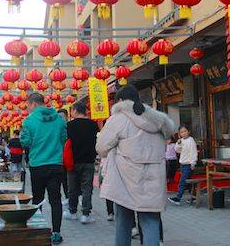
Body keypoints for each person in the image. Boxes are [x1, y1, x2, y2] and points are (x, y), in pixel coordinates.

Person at [96, 85, 175, 246]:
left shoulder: (118, 118)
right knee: (150, 220)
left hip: (125, 179)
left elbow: (101, 147)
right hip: (153, 178)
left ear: (120, 101)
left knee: (123, 221)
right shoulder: (157, 120)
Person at [21, 93, 66, 244]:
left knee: (38, 199)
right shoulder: (59, 119)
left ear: (33, 104)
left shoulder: (29, 121)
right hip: (56, 164)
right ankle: (56, 233)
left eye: (27, 105)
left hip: (38, 165)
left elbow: (26, 143)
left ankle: (39, 230)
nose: (27, 108)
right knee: (56, 200)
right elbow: (63, 139)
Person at [63, 102, 99, 224]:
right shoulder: (93, 125)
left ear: (75, 110)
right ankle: (85, 214)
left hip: (73, 161)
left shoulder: (70, 125)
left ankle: (72, 212)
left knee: (72, 188)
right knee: (87, 188)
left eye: (72, 110)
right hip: (89, 161)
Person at [168, 125, 198, 205]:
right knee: (188, 182)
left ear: (188, 131)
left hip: (188, 164)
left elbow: (194, 152)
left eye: (185, 131)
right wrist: (178, 143)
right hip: (183, 164)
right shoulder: (181, 140)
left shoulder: (191, 140)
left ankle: (178, 198)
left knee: (182, 181)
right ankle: (194, 197)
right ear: (179, 134)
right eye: (181, 132)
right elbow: (177, 151)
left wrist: (193, 163)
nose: (183, 133)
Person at [57, 109, 70, 205]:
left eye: (62, 117)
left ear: (67, 117)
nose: (60, 119)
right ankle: (68, 197)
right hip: (60, 157)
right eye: (59, 117)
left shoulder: (71, 127)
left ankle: (76, 196)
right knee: (64, 179)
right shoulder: (56, 129)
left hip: (70, 156)